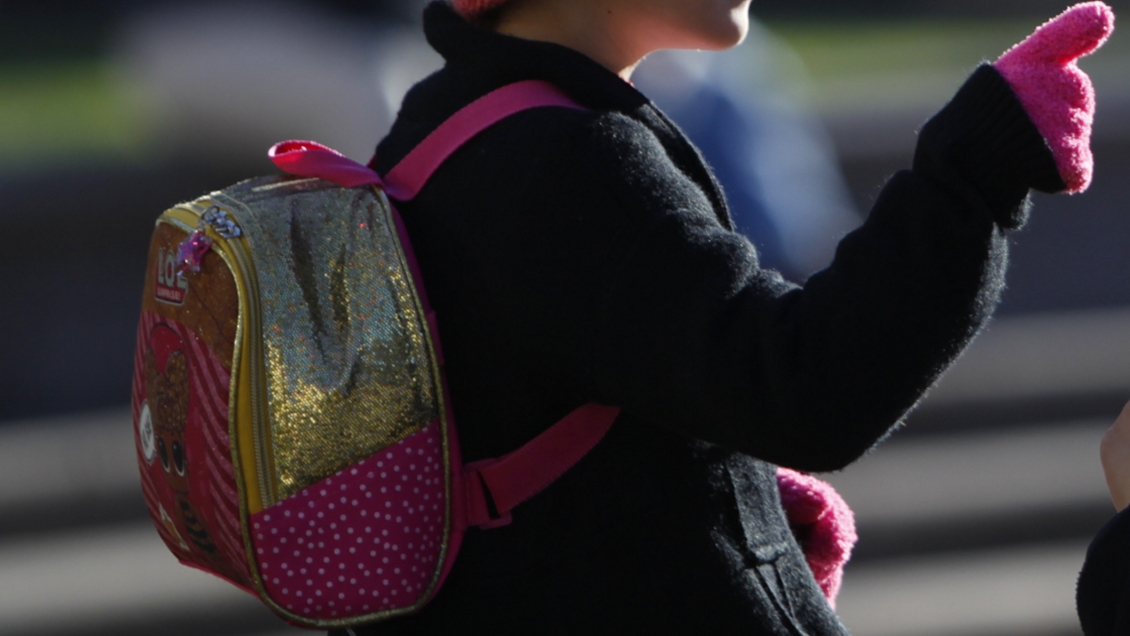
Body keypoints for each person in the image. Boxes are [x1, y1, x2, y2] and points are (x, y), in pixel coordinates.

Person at [333, 1, 1112, 633]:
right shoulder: (568, 157)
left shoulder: (451, 126)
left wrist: (726, 495)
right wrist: (975, 169)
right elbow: (807, 388)